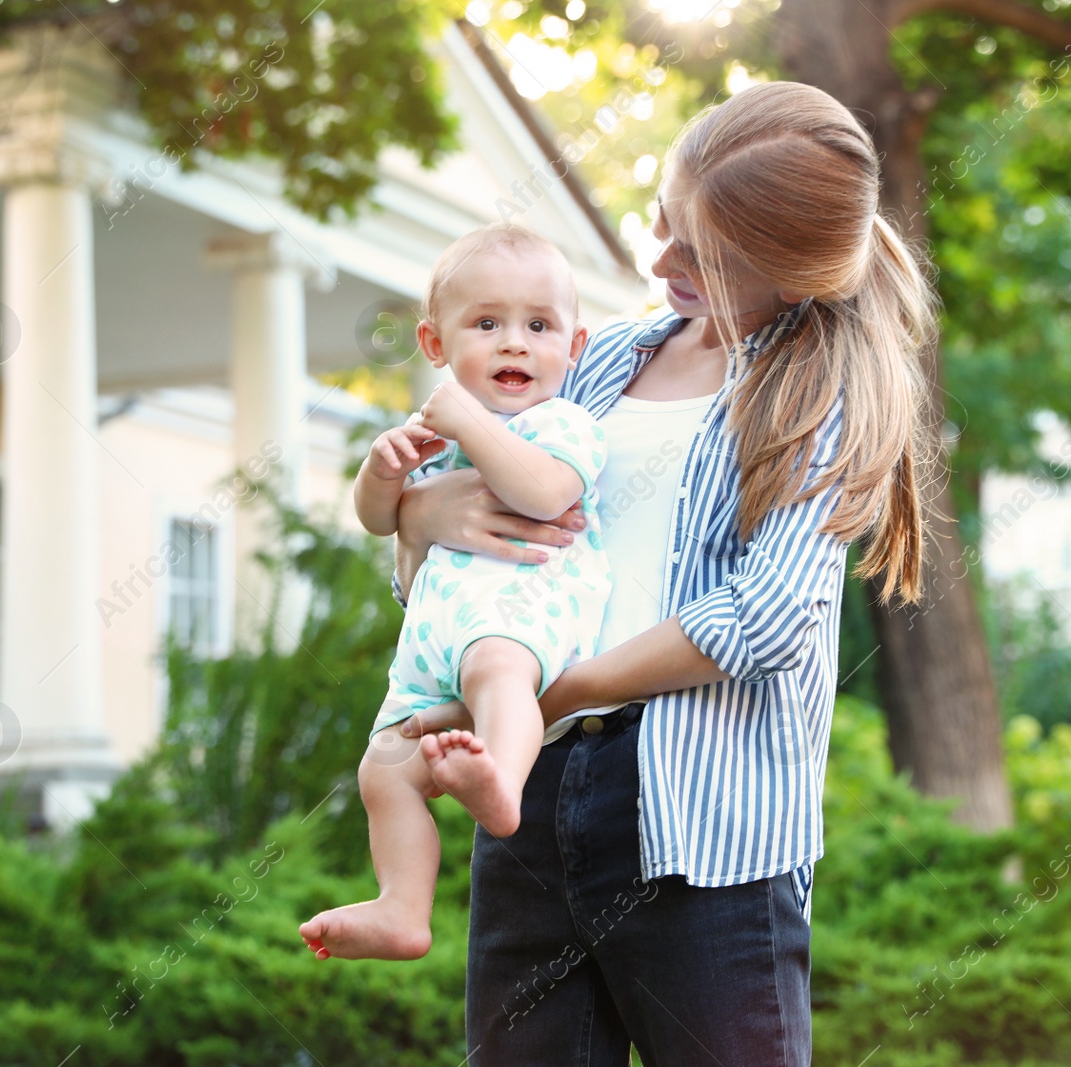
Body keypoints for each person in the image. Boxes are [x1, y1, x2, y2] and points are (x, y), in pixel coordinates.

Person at [392, 81, 937, 1065]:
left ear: (788, 270)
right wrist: (417, 514)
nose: (658, 261)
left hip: (702, 827)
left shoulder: (816, 395)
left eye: (700, 254)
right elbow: (483, 527)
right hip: (530, 792)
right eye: (662, 223)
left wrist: (555, 686)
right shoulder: (600, 360)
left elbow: (768, 617)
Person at [299, 224, 613, 962]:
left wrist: (466, 419)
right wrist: (384, 472)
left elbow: (541, 492)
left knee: (498, 674)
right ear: (435, 343)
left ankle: (500, 783)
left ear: (574, 346)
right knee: (384, 767)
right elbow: (383, 520)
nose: (514, 343)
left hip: (524, 613)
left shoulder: (564, 424)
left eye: (539, 325)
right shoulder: (435, 436)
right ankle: (402, 906)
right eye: (487, 323)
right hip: (431, 646)